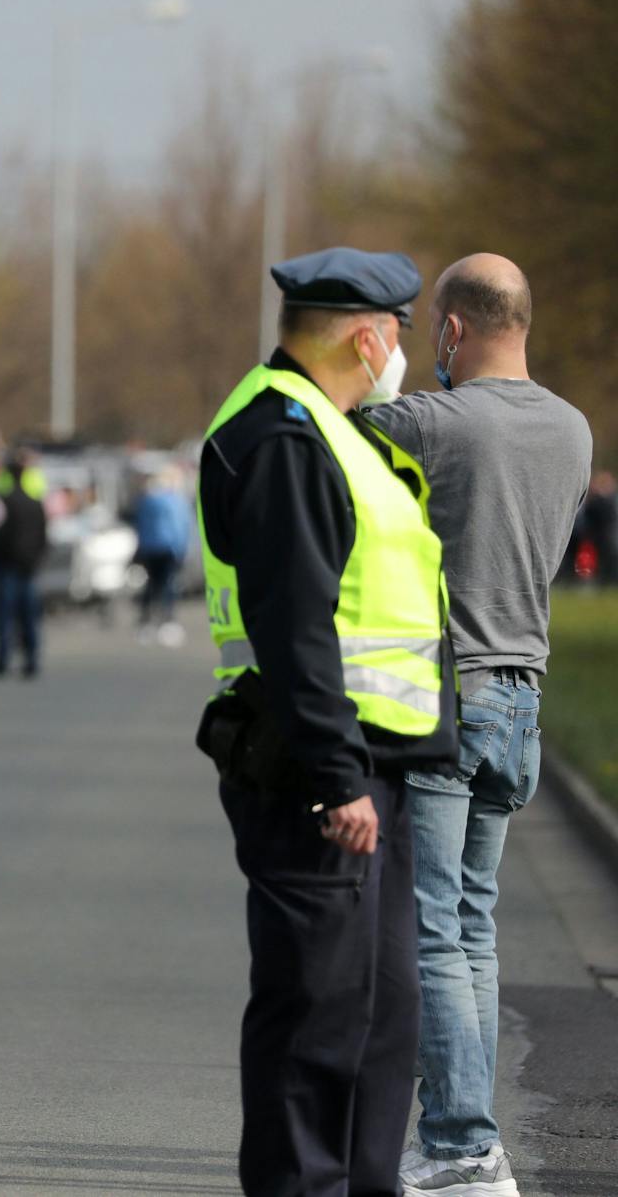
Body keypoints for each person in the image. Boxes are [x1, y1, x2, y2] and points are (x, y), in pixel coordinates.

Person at [196, 248, 458, 1197]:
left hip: (365, 769)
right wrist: (337, 772)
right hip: (316, 774)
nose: (400, 352)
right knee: (317, 1018)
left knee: (380, 1015)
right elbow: (296, 622)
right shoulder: (281, 438)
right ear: (366, 335)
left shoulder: (333, 430)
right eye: (395, 334)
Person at [363, 254, 592, 1197]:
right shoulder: (574, 430)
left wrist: (381, 378)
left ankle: (459, 1144)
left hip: (449, 694)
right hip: (523, 696)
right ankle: (472, 1144)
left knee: (432, 936)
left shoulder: (430, 419)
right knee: (474, 928)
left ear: (451, 332)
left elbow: (336, 444)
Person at [0, 450, 47, 678]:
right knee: (29, 616)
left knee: (4, 615)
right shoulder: (34, 503)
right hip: (28, 566)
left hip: (7, 565)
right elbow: (43, 535)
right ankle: (31, 659)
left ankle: (2, 659)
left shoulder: (4, 503)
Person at [133, 467, 192, 645]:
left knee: (151, 585)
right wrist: (182, 549)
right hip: (170, 549)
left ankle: (146, 621)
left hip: (150, 548)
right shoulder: (177, 501)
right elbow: (182, 526)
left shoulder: (147, 501)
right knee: (168, 585)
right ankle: (168, 620)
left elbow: (140, 525)